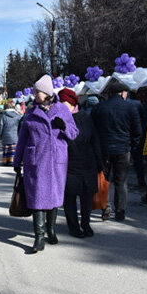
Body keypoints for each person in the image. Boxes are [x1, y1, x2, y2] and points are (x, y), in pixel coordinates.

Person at [13, 75, 78, 254]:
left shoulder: (62, 110)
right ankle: (39, 237)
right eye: (34, 91)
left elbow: (74, 133)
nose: (34, 95)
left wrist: (63, 126)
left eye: (37, 92)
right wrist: (17, 161)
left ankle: (51, 230)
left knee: (54, 197)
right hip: (36, 162)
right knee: (37, 197)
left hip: (57, 162)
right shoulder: (31, 112)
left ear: (47, 93)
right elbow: (22, 139)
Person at [91, 78, 141, 222]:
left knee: (102, 179)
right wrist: (132, 146)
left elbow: (93, 130)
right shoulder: (130, 108)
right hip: (123, 148)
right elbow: (137, 130)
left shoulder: (99, 108)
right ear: (122, 93)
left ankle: (105, 206)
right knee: (121, 181)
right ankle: (120, 211)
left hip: (103, 149)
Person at [58, 88, 102, 238]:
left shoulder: (85, 117)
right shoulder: (58, 120)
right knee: (69, 198)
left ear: (72, 103)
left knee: (87, 197)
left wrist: (100, 162)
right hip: (68, 164)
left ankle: (86, 224)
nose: (61, 106)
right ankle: (74, 227)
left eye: (64, 103)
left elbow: (95, 140)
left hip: (87, 163)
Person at [0, 102, 21, 166]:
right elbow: (20, 126)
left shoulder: (3, 116)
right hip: (15, 135)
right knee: (13, 149)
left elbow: (0, 125)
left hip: (5, 135)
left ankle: (5, 161)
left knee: (6, 148)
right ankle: (12, 160)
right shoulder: (18, 116)